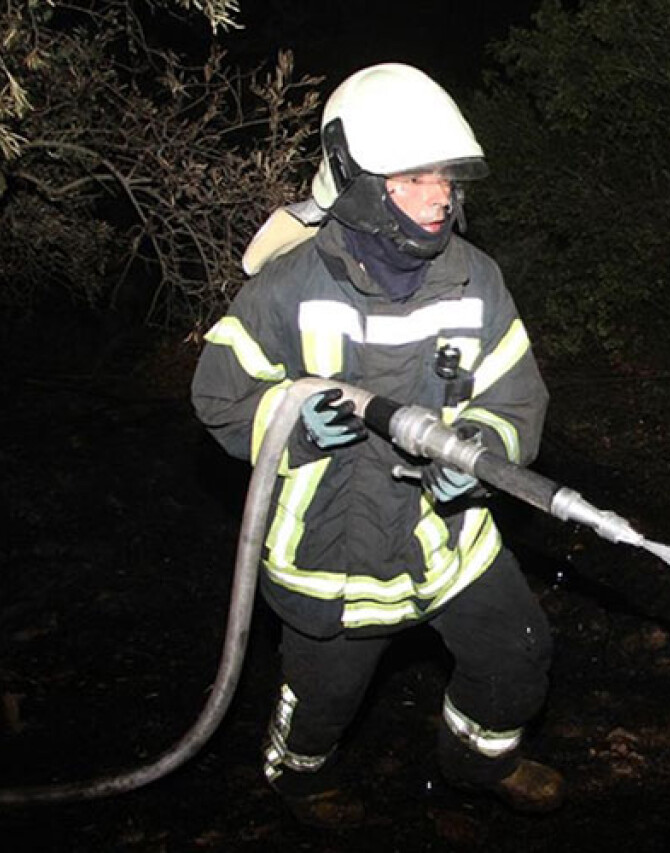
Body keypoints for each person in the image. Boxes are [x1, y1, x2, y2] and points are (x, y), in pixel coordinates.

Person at [191, 63, 561, 828]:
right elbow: (219, 393)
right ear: (356, 181)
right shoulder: (286, 287)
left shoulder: (475, 280)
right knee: (324, 700)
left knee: (518, 653)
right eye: (414, 177)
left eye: (446, 177)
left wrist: (479, 459)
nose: (439, 196)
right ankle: (299, 781)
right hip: (332, 558)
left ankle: (477, 761)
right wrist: (289, 425)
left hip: (447, 539)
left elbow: (515, 395)